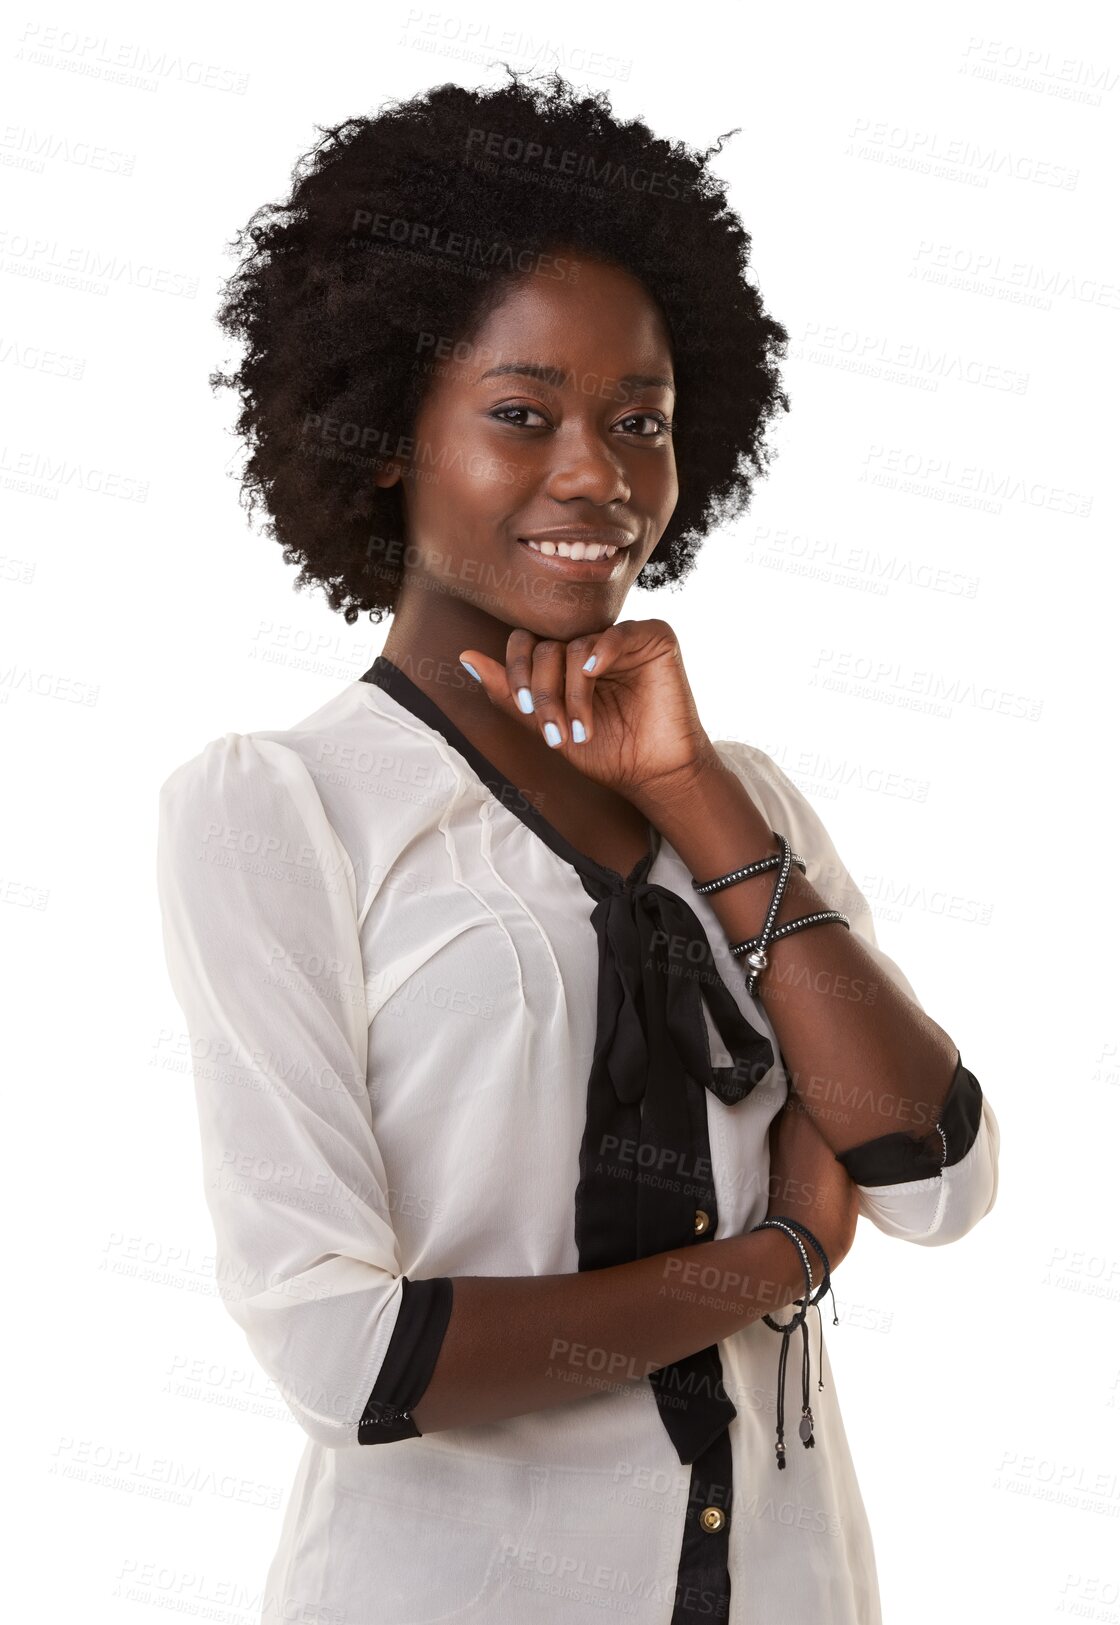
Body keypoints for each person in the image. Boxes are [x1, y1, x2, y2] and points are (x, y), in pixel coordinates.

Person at [155, 68, 1000, 1625]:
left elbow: (935, 1171)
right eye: (522, 414)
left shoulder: (741, 797)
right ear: (389, 429)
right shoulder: (278, 808)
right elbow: (354, 1355)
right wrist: (777, 1259)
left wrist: (687, 790)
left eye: (641, 424)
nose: (600, 476)